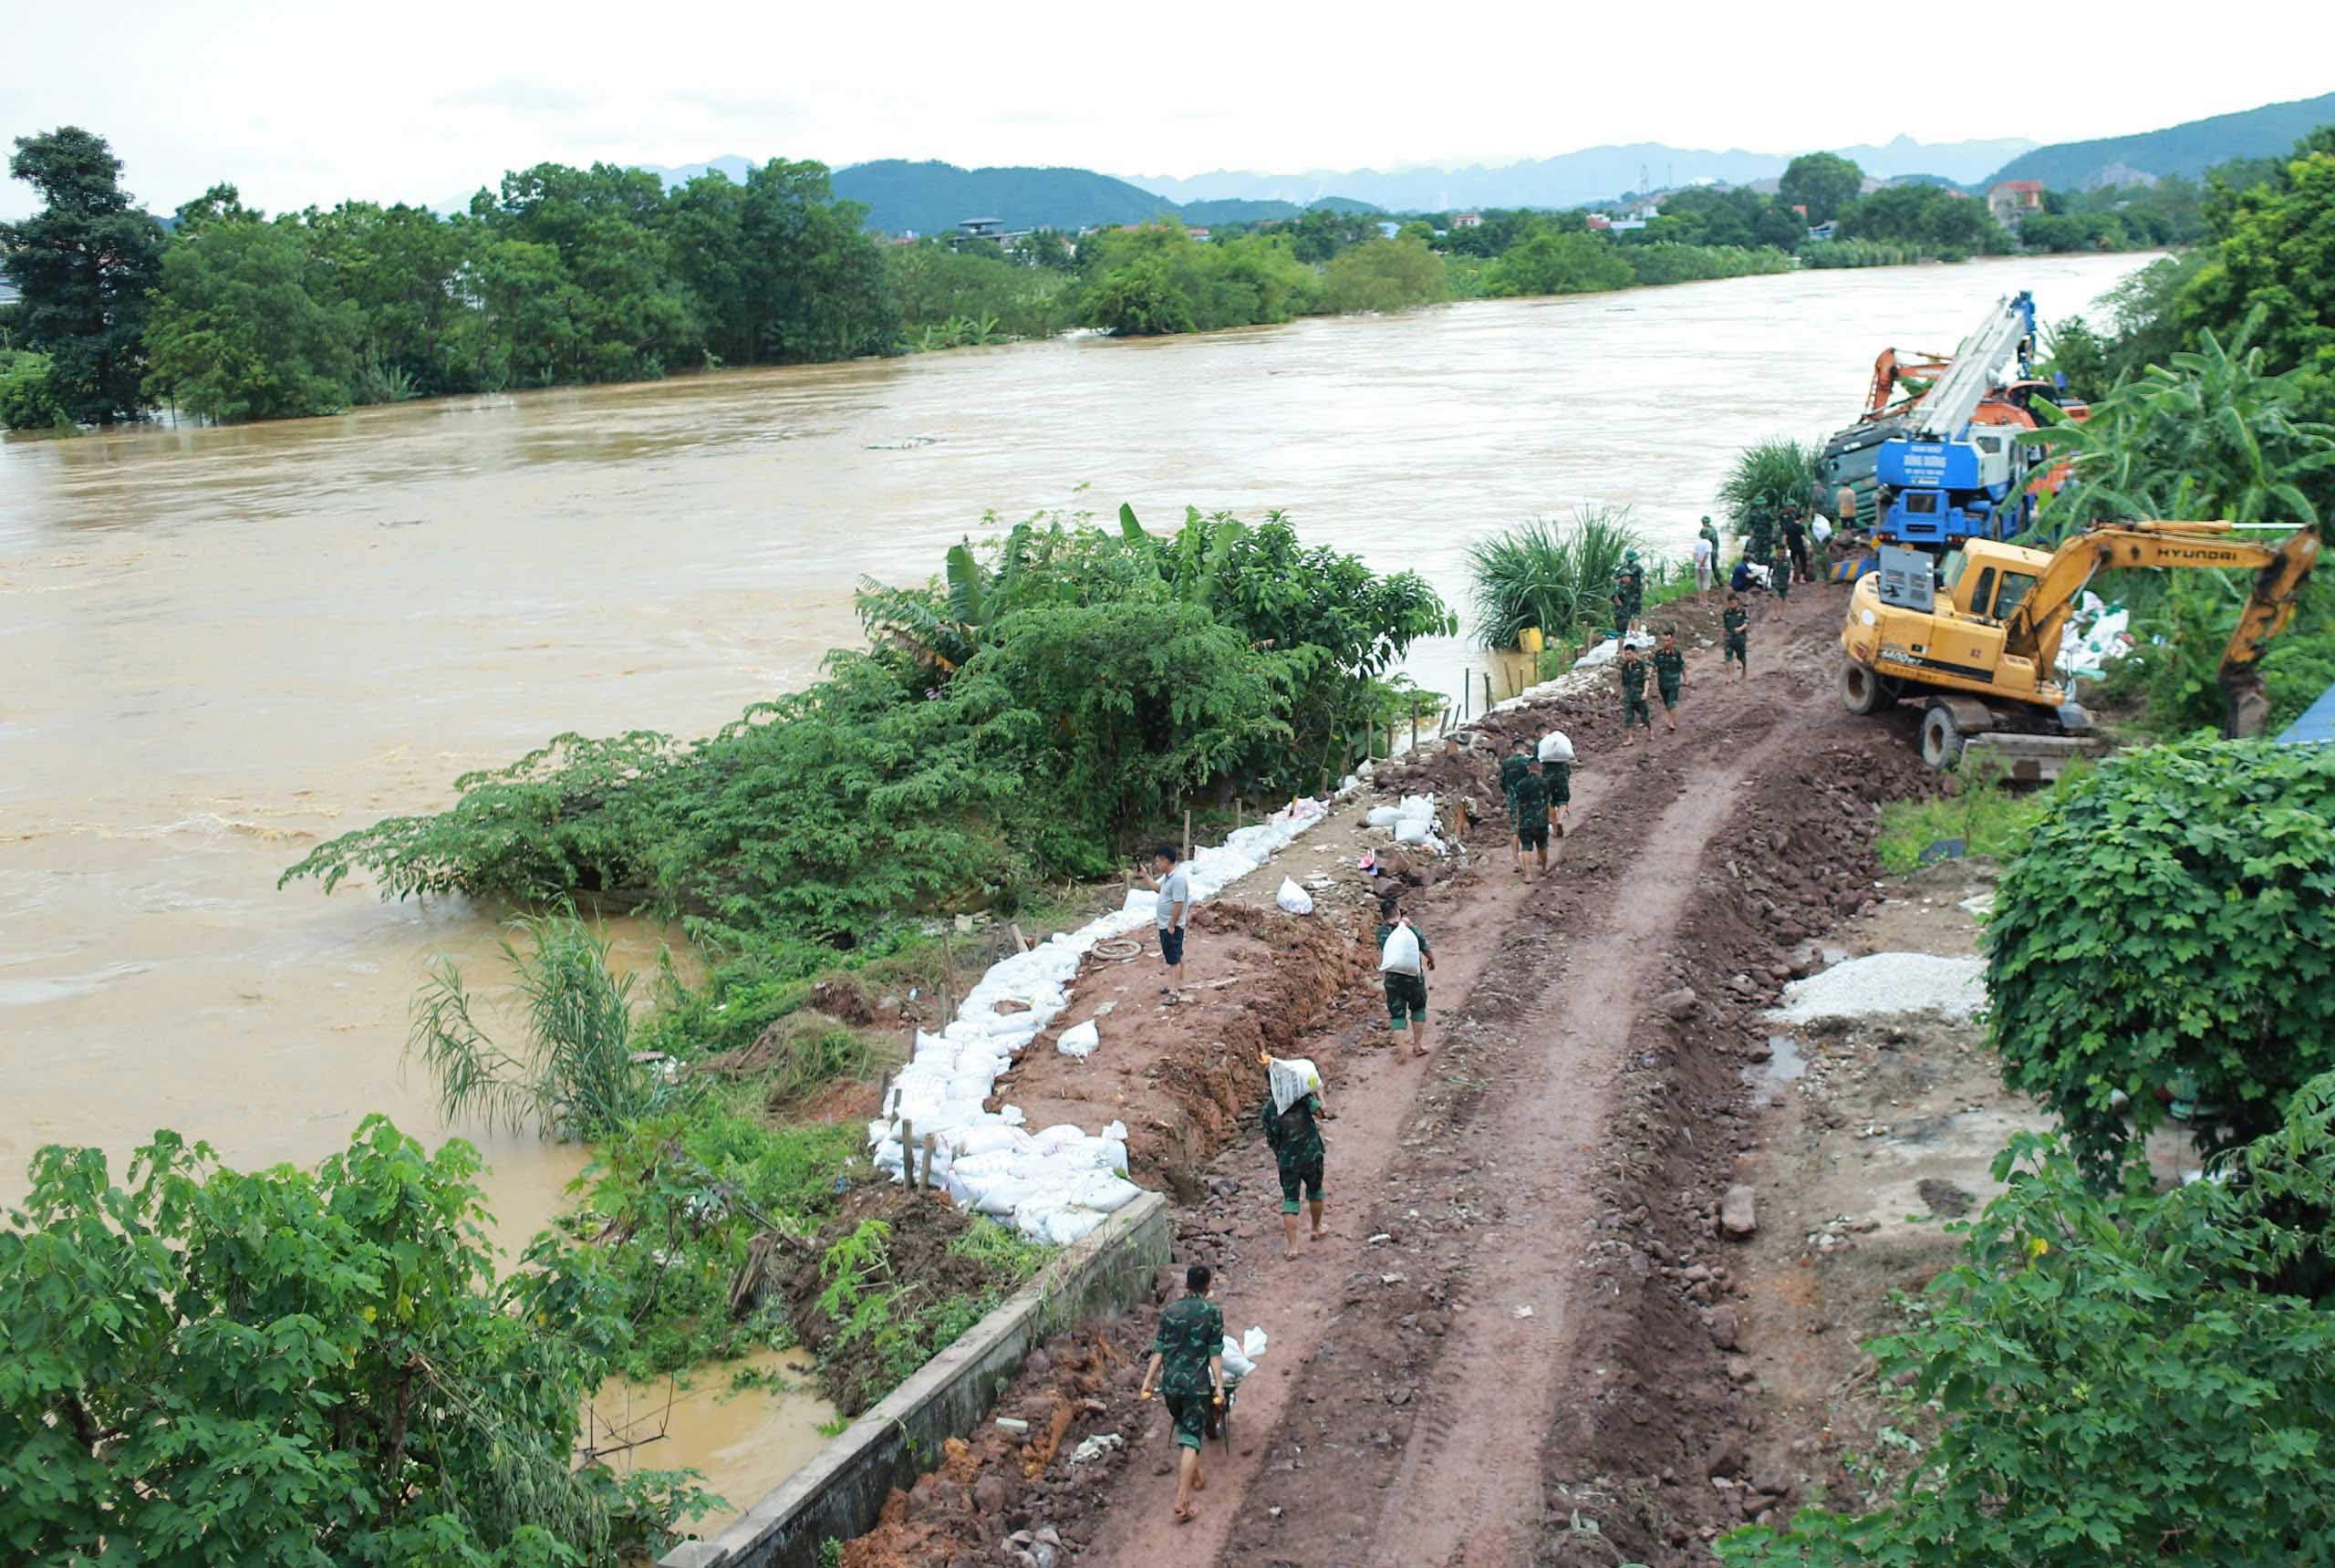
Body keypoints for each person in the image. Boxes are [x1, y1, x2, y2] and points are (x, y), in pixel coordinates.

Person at [1137, 1264, 1226, 1523]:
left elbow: (1160, 1350)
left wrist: (1147, 1380)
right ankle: (1182, 1501)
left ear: (1186, 1285)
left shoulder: (1170, 1312)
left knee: (1185, 1428)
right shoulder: (1212, 1313)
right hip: (1195, 1386)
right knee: (1190, 1439)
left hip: (1170, 1384)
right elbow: (1214, 1353)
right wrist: (1219, 1385)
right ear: (1208, 1285)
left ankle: (1196, 1477)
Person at [1260, 1059, 1327, 1256]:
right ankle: (1316, 1228)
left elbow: (1272, 1139)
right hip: (1312, 1153)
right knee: (1315, 1191)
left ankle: (1293, 1247)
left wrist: (1281, 1156)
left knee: (1290, 1200)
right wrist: (1320, 1093)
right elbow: (1323, 1113)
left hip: (1287, 1160)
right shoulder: (1303, 1098)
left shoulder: (1269, 1110)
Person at [1374, 894, 1437, 1059]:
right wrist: (1431, 960)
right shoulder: (1409, 928)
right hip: (1413, 978)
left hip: (1393, 980)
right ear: (1398, 912)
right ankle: (1418, 1045)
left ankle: (1402, 1050)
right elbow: (1424, 945)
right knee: (1418, 1008)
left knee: (1397, 1014)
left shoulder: (1380, 932)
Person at [1135, 844, 1192, 1002]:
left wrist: (1172, 924)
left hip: (1171, 925)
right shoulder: (1169, 877)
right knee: (1176, 953)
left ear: (1166, 861)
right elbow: (1157, 888)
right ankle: (1179, 983)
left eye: (1158, 862)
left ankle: (1174, 991)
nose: (1157, 865)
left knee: (1172, 957)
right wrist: (1145, 876)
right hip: (1167, 924)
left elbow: (1179, 903)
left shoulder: (1178, 878)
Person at [1512, 754, 1552, 878]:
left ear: (1528, 768)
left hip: (1525, 821)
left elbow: (1518, 804)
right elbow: (1548, 803)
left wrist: (1518, 821)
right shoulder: (1545, 782)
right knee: (1543, 845)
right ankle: (1544, 868)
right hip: (1541, 820)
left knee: (1525, 847)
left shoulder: (1520, 784)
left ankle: (1528, 875)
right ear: (1539, 767)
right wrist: (1550, 819)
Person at [1499, 738, 1532, 874]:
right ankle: (1529, 858)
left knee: (1515, 828)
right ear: (1524, 749)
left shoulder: (1506, 763)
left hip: (1513, 799)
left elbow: (1502, 782)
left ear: (1512, 750)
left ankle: (1515, 861)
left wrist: (1509, 793)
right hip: (1529, 799)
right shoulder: (1528, 761)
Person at [1653, 629, 1687, 732]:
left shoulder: (1677, 654)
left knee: (1672, 702)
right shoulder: (1659, 654)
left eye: (1668, 640)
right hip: (1662, 683)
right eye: (1664, 641)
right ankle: (1673, 718)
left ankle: (1671, 722)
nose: (1666, 643)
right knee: (1667, 703)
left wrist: (1686, 679)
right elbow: (1655, 667)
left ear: (1672, 640)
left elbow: (1682, 666)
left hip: (1674, 682)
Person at [1619, 645, 1653, 746]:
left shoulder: (1641, 665)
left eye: (1629, 654)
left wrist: (1645, 693)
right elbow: (1624, 683)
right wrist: (1622, 694)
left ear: (1635, 653)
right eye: (1626, 654)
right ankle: (1630, 738)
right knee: (1628, 717)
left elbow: (1646, 680)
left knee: (1644, 715)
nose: (1627, 656)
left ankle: (1650, 731)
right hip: (1628, 696)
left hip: (1639, 695)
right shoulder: (1625, 667)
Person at [1613, 550, 1646, 638]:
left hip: (1625, 594)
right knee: (1636, 614)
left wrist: (1619, 586)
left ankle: (1629, 632)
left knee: (1627, 614)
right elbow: (1644, 578)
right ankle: (1636, 632)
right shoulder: (1638, 567)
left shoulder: (1622, 568)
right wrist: (1643, 586)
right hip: (1636, 594)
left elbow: (1614, 578)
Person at [1723, 594, 1749, 681]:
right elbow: (1724, 626)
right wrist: (1723, 637)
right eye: (1730, 603)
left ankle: (1744, 669)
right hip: (1729, 638)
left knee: (1741, 656)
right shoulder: (1726, 613)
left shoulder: (1742, 611)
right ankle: (1730, 676)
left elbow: (1747, 622)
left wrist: (1740, 628)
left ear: (1737, 602)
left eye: (1733, 603)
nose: (1732, 605)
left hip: (1740, 638)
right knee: (1728, 656)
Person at [1782, 507, 1811, 585]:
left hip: (1791, 548)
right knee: (1803, 562)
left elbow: (1785, 537)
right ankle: (1801, 579)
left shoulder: (1789, 527)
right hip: (1800, 548)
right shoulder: (1801, 527)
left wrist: (1785, 546)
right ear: (1800, 519)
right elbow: (1803, 538)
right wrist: (1807, 546)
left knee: (1792, 563)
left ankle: (1791, 579)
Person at [1698, 515, 1724, 590]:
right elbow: (1716, 543)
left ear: (1704, 522)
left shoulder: (1706, 530)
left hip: (1709, 552)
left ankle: (1710, 584)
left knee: (1708, 568)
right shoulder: (1713, 529)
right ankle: (1720, 582)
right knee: (1714, 568)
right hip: (1714, 551)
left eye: (1703, 522)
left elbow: (1704, 539)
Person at [1690, 527, 1715, 593]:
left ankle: (1700, 600)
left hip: (1697, 566)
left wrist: (1698, 562)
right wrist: (1702, 564)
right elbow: (1706, 554)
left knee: (1699, 584)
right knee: (1706, 584)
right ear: (1708, 535)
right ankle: (1705, 601)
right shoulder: (1709, 543)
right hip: (1706, 566)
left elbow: (1694, 554)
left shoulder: (1697, 543)